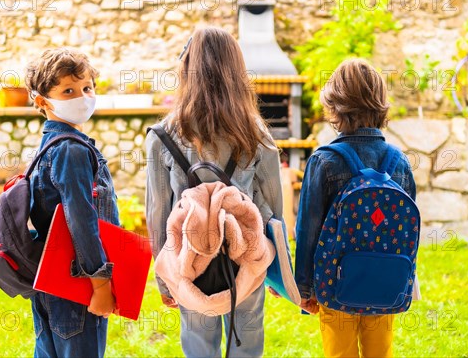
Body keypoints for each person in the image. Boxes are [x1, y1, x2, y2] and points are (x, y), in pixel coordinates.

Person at [145, 26, 283, 358]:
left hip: (190, 257)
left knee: (198, 345)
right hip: (247, 255)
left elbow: (158, 214)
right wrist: (279, 273)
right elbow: (274, 209)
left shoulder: (162, 135)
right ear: (237, 72)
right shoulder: (257, 133)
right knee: (247, 345)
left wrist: (167, 280)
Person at [294, 58, 417, 357]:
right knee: (380, 352)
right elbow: (407, 234)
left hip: (336, 286)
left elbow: (307, 231)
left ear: (334, 106)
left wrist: (304, 289)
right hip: (386, 282)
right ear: (382, 106)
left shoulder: (324, 161)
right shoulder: (399, 162)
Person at [25, 48, 119, 358]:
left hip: (50, 282)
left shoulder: (49, 145)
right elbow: (82, 221)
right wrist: (101, 285)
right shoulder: (71, 150)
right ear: (42, 100)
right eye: (68, 90)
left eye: (87, 88)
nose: (83, 97)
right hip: (76, 287)